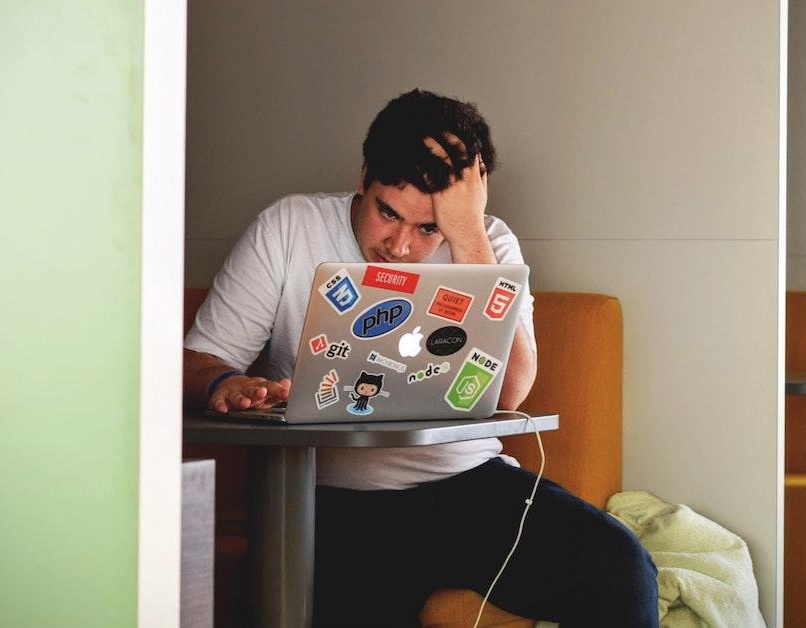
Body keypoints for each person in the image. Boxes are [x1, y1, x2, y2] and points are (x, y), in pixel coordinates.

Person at [182, 89, 659, 627]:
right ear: (364, 178)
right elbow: (198, 360)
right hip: (337, 500)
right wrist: (225, 382)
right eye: (388, 213)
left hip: (470, 485)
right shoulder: (288, 227)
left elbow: (510, 392)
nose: (401, 246)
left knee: (620, 566)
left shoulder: (488, 242)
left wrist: (467, 235)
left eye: (428, 227)